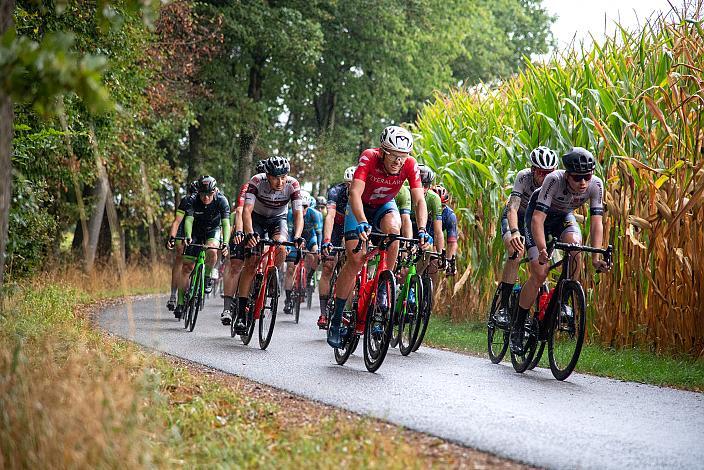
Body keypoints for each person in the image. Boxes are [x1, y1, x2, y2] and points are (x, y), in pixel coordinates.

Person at [327, 125, 431, 348]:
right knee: (355, 260)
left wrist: (422, 229)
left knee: (394, 230)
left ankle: (385, 285)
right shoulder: (369, 157)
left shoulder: (409, 165)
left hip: (384, 205)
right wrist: (362, 221)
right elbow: (354, 193)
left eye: (402, 157)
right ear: (383, 151)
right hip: (360, 206)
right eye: (393, 156)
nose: (398, 162)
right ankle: (335, 319)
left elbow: (420, 200)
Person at [510, 147, 610, 354]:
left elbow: (596, 223)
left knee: (575, 246)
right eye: (577, 178)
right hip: (538, 217)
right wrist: (542, 249)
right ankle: (518, 327)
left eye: (587, 177)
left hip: (563, 218)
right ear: (567, 175)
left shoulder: (596, 185)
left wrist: (597, 256)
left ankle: (563, 302)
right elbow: (537, 219)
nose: (582, 183)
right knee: (539, 272)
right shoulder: (554, 180)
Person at [233, 156, 305, 333]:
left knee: (281, 246)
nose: (280, 181)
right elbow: (247, 211)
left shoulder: (293, 184)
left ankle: (272, 275)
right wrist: (249, 233)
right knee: (251, 263)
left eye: (283, 177)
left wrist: (297, 236)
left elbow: (297, 214)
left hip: (277, 219)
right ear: (267, 175)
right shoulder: (257, 181)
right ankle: (241, 313)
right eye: (275, 177)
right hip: (256, 219)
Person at [494, 146, 557, 326]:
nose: (545, 177)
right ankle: (503, 307)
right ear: (532, 170)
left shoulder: (556, 182)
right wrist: (514, 232)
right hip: (517, 218)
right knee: (516, 250)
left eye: (549, 172)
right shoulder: (523, 177)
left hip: (537, 222)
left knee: (546, 259)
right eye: (540, 172)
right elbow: (513, 207)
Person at [167, 175, 231, 319]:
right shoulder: (192, 200)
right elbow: (188, 220)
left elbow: (226, 224)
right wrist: (188, 236)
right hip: (195, 231)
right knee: (187, 267)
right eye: (203, 194)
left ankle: (207, 277)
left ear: (215, 191)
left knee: (213, 250)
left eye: (209, 194)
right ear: (198, 193)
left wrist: (225, 243)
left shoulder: (222, 200)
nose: (206, 198)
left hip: (212, 230)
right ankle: (181, 302)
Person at [220, 160, 266, 325]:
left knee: (264, 258)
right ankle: (227, 307)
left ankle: (259, 296)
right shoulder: (249, 187)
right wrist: (239, 231)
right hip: (244, 226)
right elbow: (240, 211)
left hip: (260, 228)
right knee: (236, 265)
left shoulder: (278, 191)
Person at [318, 166, 355, 328]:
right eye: (349, 185)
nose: (351, 188)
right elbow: (330, 216)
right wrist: (327, 240)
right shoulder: (336, 192)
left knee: (353, 267)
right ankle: (323, 313)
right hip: (335, 228)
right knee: (327, 267)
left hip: (350, 228)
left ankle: (347, 311)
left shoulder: (364, 193)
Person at [283, 191, 323, 315]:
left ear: (309, 206)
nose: (303, 209)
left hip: (310, 238)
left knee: (316, 253)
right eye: (300, 206)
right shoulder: (291, 213)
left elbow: (318, 234)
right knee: (290, 268)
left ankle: (310, 276)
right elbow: (289, 233)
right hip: (295, 239)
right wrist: (288, 246)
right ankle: (288, 299)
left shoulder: (315, 214)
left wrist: (320, 249)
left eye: (305, 206)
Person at [165, 180, 198, 312]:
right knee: (180, 257)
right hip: (184, 230)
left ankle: (195, 285)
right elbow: (177, 222)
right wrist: (172, 238)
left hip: (199, 230)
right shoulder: (186, 201)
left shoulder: (210, 202)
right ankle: (173, 295)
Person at [430, 185, 458, 275]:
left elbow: (452, 242)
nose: (438, 209)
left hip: (434, 241)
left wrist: (449, 261)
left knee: (434, 261)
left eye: (442, 206)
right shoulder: (421, 208)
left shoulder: (449, 216)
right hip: (419, 237)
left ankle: (430, 288)